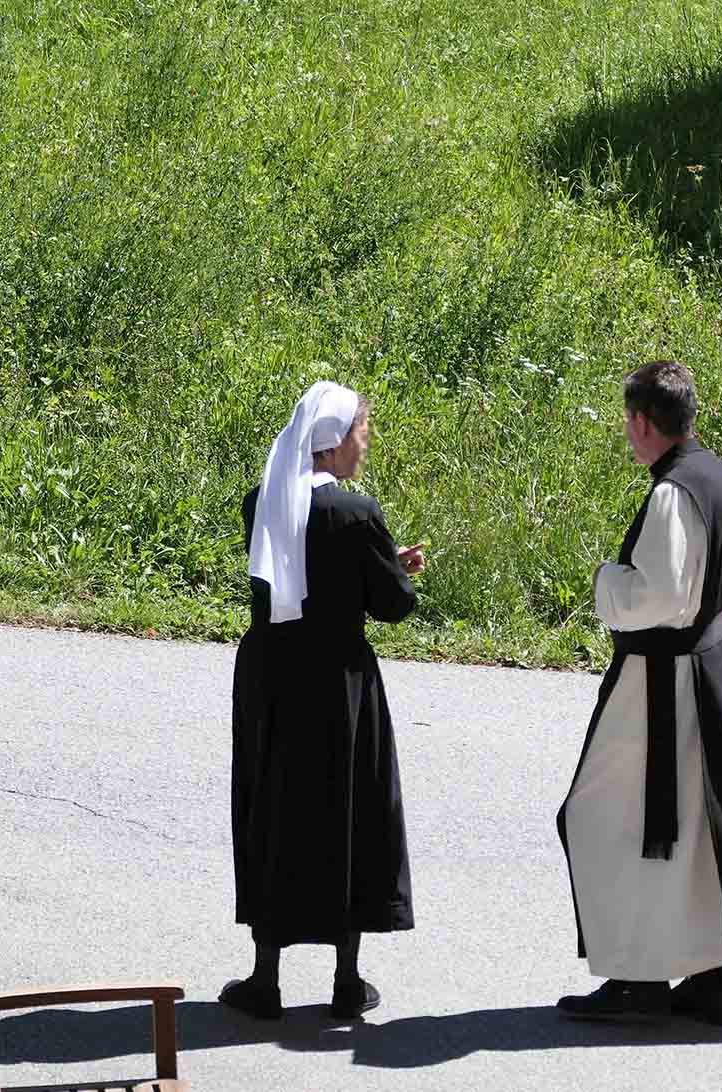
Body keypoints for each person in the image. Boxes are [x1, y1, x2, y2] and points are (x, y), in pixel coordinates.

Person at [556, 360, 722, 1025]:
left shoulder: (671, 492)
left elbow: (661, 597)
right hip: (713, 674)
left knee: (612, 821)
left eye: (626, 423)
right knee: (692, 833)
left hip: (660, 685)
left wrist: (607, 583)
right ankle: (705, 979)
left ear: (641, 422)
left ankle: (638, 978)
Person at [222, 380, 426, 1021]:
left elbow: (291, 571)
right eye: (363, 433)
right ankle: (345, 978)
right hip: (338, 684)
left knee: (275, 808)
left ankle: (265, 978)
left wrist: (374, 561)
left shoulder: (264, 499)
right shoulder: (356, 513)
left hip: (273, 679)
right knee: (348, 810)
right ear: (334, 443)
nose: (366, 445)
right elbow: (391, 605)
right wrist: (391, 569)